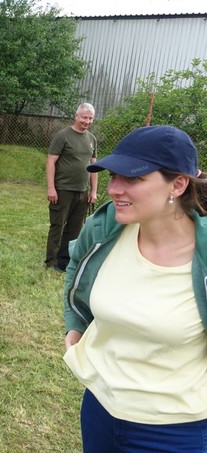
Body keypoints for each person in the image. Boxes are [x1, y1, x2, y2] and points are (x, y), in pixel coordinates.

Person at [63, 125, 207, 451]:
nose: (114, 189)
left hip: (174, 429)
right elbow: (76, 269)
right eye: (113, 176)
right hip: (101, 408)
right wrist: (75, 324)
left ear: (179, 184)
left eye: (133, 179)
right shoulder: (104, 230)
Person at [45, 103, 98, 272]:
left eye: (90, 118)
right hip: (63, 189)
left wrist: (93, 191)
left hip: (82, 191)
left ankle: (65, 260)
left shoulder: (91, 139)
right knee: (58, 226)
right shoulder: (63, 136)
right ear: (76, 116)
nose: (87, 121)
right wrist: (51, 188)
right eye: (84, 117)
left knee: (75, 229)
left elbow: (94, 166)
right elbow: (51, 162)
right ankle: (51, 262)